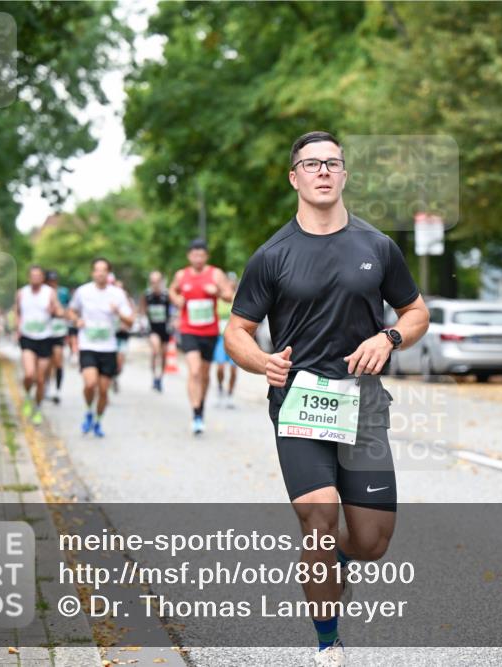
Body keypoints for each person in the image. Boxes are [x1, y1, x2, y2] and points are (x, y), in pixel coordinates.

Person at [224, 131, 429, 666]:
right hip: (299, 404)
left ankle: (337, 556)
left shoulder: (378, 246)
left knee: (371, 540)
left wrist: (388, 339)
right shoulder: (272, 256)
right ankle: (327, 645)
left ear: (344, 174)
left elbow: (416, 313)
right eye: (311, 164)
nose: (322, 171)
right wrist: (261, 361)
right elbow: (236, 330)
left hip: (362, 406)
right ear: (294, 177)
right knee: (319, 516)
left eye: (332, 163)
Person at [169, 238, 235, 434]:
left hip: (209, 331)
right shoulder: (181, 275)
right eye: (194, 255)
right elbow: (172, 290)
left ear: (206, 256)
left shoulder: (215, 274)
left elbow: (229, 295)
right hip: (189, 330)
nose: (198, 258)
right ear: (189, 256)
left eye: (201, 255)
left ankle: (200, 409)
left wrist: (217, 292)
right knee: (195, 371)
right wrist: (176, 299)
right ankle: (195, 412)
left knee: (205, 374)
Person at [67, 258, 133, 438]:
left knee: (103, 390)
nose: (100, 273)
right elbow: (71, 310)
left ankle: (97, 420)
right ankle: (88, 410)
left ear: (109, 273)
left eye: (104, 270)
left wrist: (118, 312)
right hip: (88, 345)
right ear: (92, 273)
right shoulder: (83, 291)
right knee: (90, 384)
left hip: (108, 348)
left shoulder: (118, 294)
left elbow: (131, 320)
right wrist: (76, 320)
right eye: (97, 270)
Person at [15, 265, 62, 426]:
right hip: (27, 337)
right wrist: (17, 328)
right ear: (29, 277)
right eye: (32, 275)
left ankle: (37, 407)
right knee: (29, 374)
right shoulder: (21, 293)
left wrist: (55, 311)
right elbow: (16, 312)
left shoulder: (49, 292)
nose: (35, 278)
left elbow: (59, 311)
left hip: (45, 338)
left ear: (42, 278)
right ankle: (28, 396)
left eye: (38, 276)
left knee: (41, 380)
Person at [140, 271, 172, 392]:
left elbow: (174, 308)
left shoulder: (167, 294)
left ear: (161, 281)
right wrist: (143, 322)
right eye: (153, 282)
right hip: (153, 328)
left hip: (165, 328)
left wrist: (175, 320)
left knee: (163, 355)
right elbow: (142, 309)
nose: (155, 284)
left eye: (157, 281)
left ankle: (159, 378)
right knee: (155, 349)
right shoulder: (147, 295)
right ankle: (154, 375)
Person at [213, 274, 239, 408]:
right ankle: (219, 389)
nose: (230, 284)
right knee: (220, 368)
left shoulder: (239, 299)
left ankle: (230, 395)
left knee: (234, 370)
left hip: (235, 340)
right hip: (220, 339)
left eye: (232, 282)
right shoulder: (218, 299)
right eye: (227, 282)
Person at [45, 270, 70, 403]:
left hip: (59, 331)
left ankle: (57, 390)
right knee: (47, 363)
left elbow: (69, 310)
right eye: (49, 281)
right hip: (44, 333)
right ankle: (47, 387)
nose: (52, 284)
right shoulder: (42, 293)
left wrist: (62, 312)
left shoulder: (63, 292)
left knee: (58, 360)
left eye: (54, 281)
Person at [112, 277, 132, 393]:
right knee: (110, 361)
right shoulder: (108, 300)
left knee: (120, 361)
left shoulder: (127, 301)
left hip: (123, 335)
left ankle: (116, 376)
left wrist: (125, 322)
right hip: (111, 336)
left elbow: (132, 319)